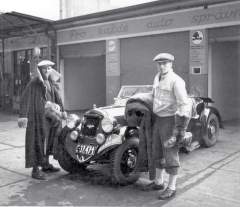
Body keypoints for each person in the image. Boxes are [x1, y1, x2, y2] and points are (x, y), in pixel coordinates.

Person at [142, 53, 191, 200]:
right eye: (159, 64)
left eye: (165, 63)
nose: (162, 66)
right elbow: (154, 97)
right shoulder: (157, 77)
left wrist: (179, 129)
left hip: (170, 120)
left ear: (171, 64)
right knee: (157, 151)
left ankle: (172, 187)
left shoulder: (176, 81)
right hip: (158, 120)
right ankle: (158, 182)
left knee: (170, 154)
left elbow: (184, 105)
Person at [18, 60, 67, 180]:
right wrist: (23, 117)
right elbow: (25, 101)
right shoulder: (33, 84)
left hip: (51, 118)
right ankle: (36, 170)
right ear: (40, 70)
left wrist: (58, 107)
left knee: (50, 141)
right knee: (38, 142)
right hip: (38, 118)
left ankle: (46, 164)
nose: (47, 70)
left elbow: (57, 99)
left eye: (49, 68)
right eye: (44, 68)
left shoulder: (51, 82)